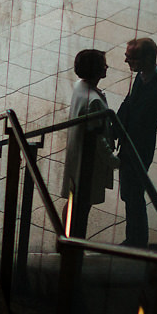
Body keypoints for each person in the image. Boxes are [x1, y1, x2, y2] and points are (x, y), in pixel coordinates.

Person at [115, 37, 157, 247]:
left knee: (134, 195)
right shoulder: (143, 76)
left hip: (138, 151)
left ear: (147, 59)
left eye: (131, 58)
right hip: (129, 147)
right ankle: (134, 238)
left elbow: (140, 125)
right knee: (129, 195)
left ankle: (137, 241)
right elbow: (128, 103)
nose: (127, 62)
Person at [63, 48, 114, 218]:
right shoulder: (94, 101)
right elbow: (98, 138)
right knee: (82, 207)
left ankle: (65, 235)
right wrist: (113, 160)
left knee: (73, 202)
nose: (107, 67)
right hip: (88, 163)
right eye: (103, 64)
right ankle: (73, 240)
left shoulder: (80, 87)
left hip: (77, 155)